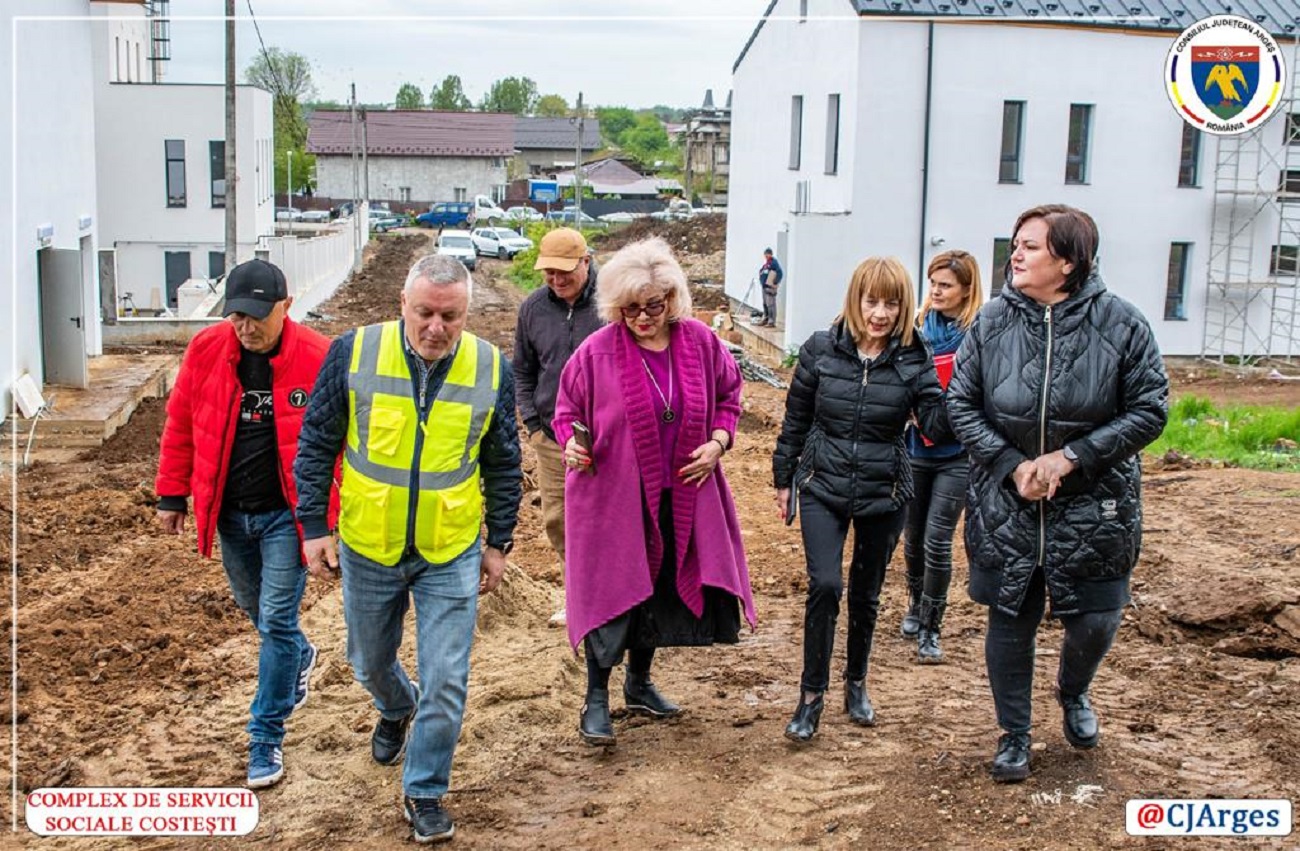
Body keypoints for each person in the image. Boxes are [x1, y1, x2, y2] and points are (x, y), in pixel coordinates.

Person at [293, 254, 522, 843]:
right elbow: (317, 441)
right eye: (424, 312)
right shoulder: (354, 352)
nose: (436, 328)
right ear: (402, 305)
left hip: (449, 549)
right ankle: (397, 708)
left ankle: (425, 791)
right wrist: (314, 526)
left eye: (451, 316)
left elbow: (502, 463)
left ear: (467, 312)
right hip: (371, 543)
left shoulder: (491, 368)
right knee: (367, 661)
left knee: (447, 677)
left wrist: (497, 543)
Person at [946, 204, 1168, 783]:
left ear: (1068, 261)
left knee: (1096, 618)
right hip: (1009, 503)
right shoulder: (991, 324)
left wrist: (1072, 457)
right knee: (1010, 617)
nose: (1015, 255)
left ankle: (1073, 693)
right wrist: (1011, 465)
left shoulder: (1123, 325)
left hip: (1096, 504)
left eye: (1031, 246)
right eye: (1016, 244)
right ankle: (1014, 735)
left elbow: (1150, 410)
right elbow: (961, 406)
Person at [552, 237, 757, 747]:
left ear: (672, 299)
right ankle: (596, 699)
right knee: (614, 592)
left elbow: (730, 396)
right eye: (631, 309)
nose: (643, 318)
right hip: (613, 500)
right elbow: (566, 414)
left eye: (654, 306)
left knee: (659, 589)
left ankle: (639, 684)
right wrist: (571, 446)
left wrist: (717, 441)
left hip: (680, 492)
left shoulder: (700, 343)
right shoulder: (594, 353)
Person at [154, 259, 336, 789]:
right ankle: (300, 655)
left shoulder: (319, 357)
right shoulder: (207, 351)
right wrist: (171, 493)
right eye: (236, 315)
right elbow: (183, 422)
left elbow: (339, 444)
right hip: (229, 513)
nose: (246, 326)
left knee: (276, 619)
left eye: (257, 315)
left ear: (286, 306)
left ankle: (265, 737)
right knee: (258, 612)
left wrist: (325, 517)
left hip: (287, 514)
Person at [773, 256, 951, 743]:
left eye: (892, 304)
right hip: (822, 485)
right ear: (855, 300)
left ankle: (856, 682)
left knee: (866, 595)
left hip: (885, 491)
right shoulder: (820, 350)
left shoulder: (914, 359)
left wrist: (958, 392)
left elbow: (935, 425)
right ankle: (811, 696)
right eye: (872, 301)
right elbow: (795, 421)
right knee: (826, 586)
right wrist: (783, 479)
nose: (880, 313)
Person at [513, 228, 604, 626]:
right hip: (551, 438)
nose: (556, 279)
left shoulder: (611, 303)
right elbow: (523, 370)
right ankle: (578, 600)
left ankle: (619, 599)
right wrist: (533, 424)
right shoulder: (533, 309)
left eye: (564, 271)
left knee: (612, 517)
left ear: (586, 261)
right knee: (561, 519)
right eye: (549, 272)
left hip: (610, 435)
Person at [900, 250, 983, 663]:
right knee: (912, 538)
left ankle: (932, 627)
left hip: (957, 455)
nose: (935, 290)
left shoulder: (978, 336)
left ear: (967, 290)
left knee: (937, 541)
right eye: (932, 282)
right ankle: (915, 604)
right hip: (915, 450)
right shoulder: (916, 329)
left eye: (945, 285)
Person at [757, 247, 784, 327]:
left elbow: (780, 273)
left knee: (770, 304)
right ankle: (766, 318)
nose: (766, 256)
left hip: (769, 287)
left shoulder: (774, 263)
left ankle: (771, 321)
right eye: (765, 254)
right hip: (764, 286)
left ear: (770, 254)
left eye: (767, 254)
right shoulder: (766, 264)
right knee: (765, 303)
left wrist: (775, 282)